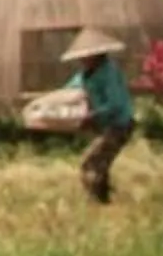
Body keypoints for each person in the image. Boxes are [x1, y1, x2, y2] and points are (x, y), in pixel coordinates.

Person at [59, 28, 137, 205]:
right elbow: (70, 90)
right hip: (104, 125)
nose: (82, 60)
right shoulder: (85, 75)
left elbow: (115, 104)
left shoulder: (108, 73)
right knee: (101, 164)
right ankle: (105, 200)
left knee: (90, 162)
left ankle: (97, 200)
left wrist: (93, 115)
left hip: (119, 125)